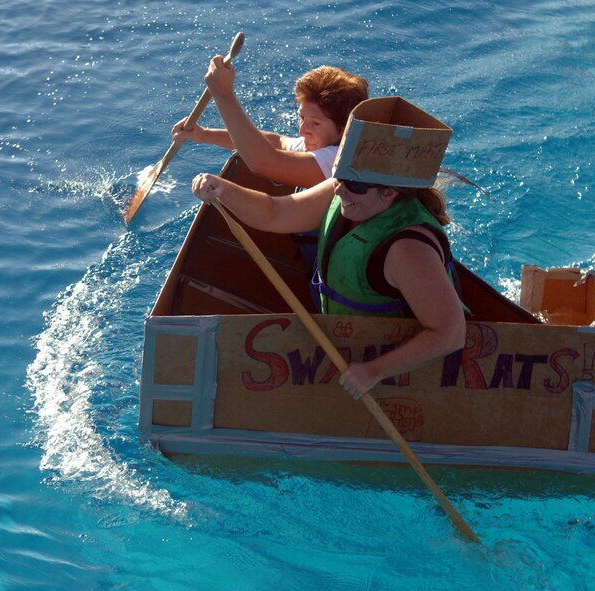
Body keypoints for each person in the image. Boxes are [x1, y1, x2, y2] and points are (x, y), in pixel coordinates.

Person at [190, 96, 467, 400]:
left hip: (394, 368)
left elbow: (451, 333)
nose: (340, 189)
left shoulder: (408, 250)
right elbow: (274, 212)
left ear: (389, 193)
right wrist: (224, 190)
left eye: (355, 185)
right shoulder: (344, 191)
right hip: (352, 347)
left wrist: (374, 370)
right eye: (340, 175)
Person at [172, 61, 368, 188]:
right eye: (302, 118)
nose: (302, 131)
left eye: (315, 124)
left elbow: (264, 162)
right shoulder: (320, 143)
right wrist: (204, 134)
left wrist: (223, 95)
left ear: (344, 129)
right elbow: (277, 142)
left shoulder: (337, 160)